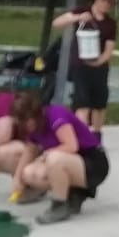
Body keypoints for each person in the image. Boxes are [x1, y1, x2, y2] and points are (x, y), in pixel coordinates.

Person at [10, 92, 111, 224]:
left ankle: (60, 205)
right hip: (73, 162)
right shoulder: (33, 126)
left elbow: (71, 146)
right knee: (28, 173)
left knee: (54, 158)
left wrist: (45, 155)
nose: (23, 126)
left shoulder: (55, 115)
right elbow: (30, 150)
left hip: (94, 163)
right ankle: (73, 194)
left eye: (24, 121)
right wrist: (18, 178)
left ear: (33, 115)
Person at [51, 0, 117, 133]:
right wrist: (78, 17)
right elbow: (57, 23)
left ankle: (97, 134)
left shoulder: (110, 24)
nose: (107, 5)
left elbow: (109, 49)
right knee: (82, 103)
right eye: (104, 1)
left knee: (100, 104)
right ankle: (83, 134)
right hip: (80, 66)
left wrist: (98, 62)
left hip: (100, 68)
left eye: (110, 2)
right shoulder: (82, 11)